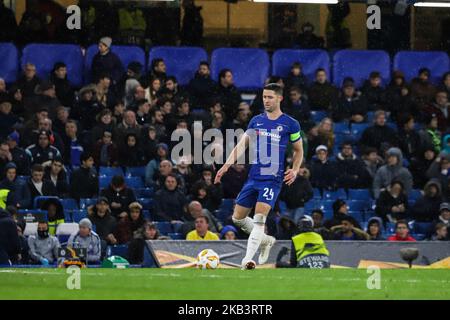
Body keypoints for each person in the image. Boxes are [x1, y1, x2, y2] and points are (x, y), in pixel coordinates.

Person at [214, 83, 304, 269]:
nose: (266, 100)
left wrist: (295, 169)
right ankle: (265, 241)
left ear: (280, 98)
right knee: (237, 218)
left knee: (259, 219)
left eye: (270, 97)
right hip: (254, 176)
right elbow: (242, 145)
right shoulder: (256, 121)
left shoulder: (290, 123)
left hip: (273, 178)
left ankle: (247, 259)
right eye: (264, 97)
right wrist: (226, 165)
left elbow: (298, 150)